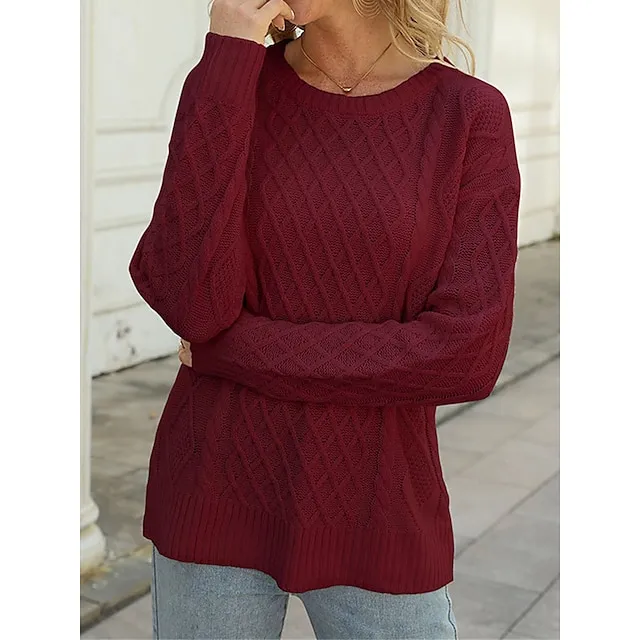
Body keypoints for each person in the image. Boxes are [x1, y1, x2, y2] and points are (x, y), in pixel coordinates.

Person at [129, 0, 521, 637]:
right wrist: (228, 53)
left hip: (378, 509)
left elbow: (467, 354)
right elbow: (190, 302)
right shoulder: (232, 82)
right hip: (214, 487)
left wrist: (236, 352)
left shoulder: (466, 114)